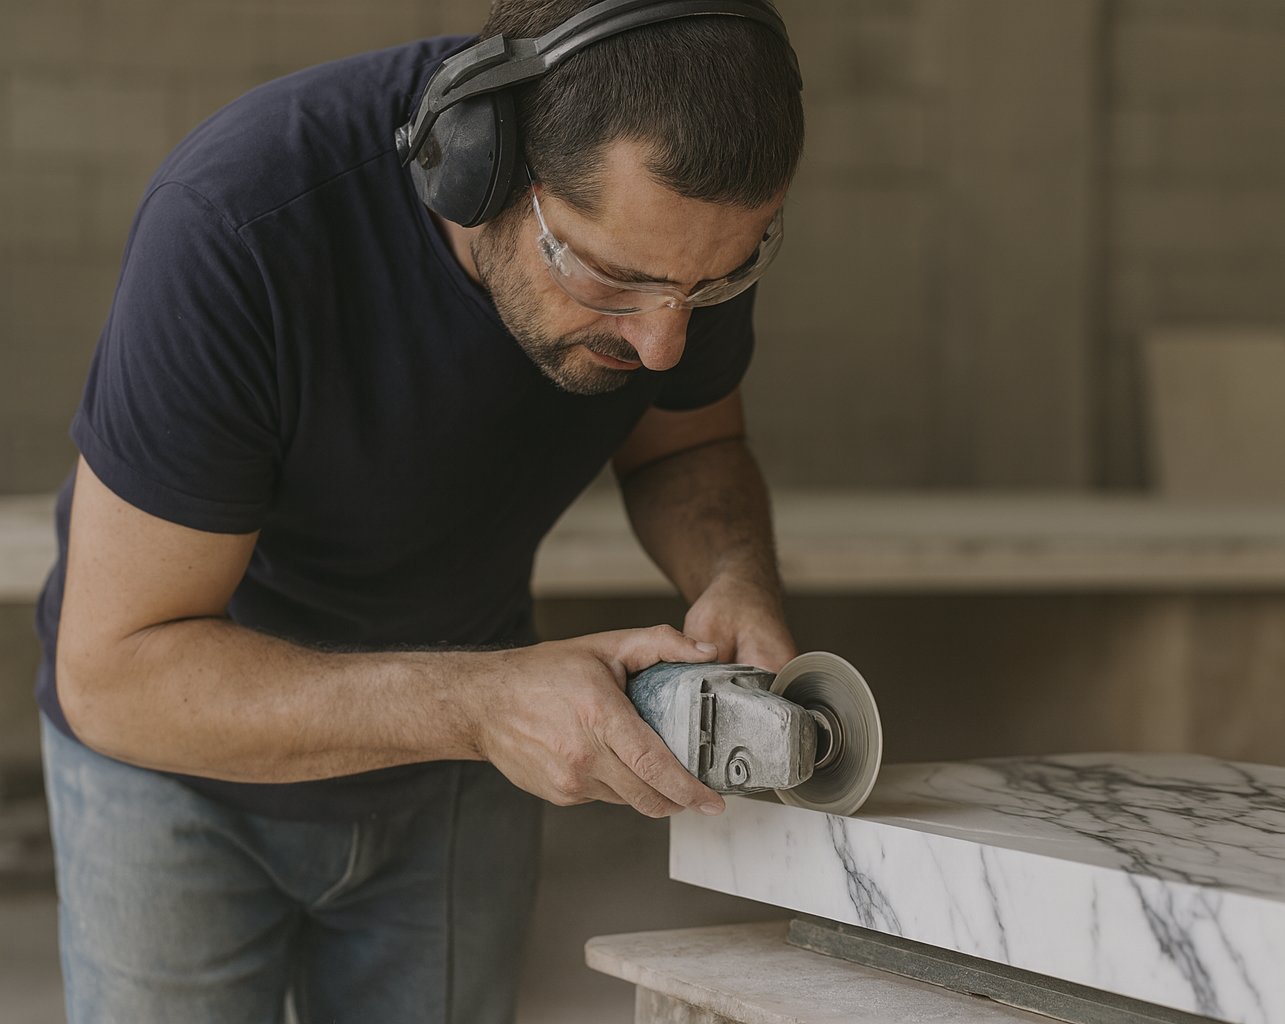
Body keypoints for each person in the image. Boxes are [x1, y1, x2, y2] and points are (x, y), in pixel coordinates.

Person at [33, 1, 805, 1020]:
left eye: (709, 287)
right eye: (612, 279)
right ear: (480, 167)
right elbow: (116, 678)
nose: (662, 344)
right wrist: (482, 704)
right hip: (180, 766)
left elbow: (689, 441)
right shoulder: (237, 226)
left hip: (459, 762)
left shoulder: (678, 245)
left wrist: (732, 572)